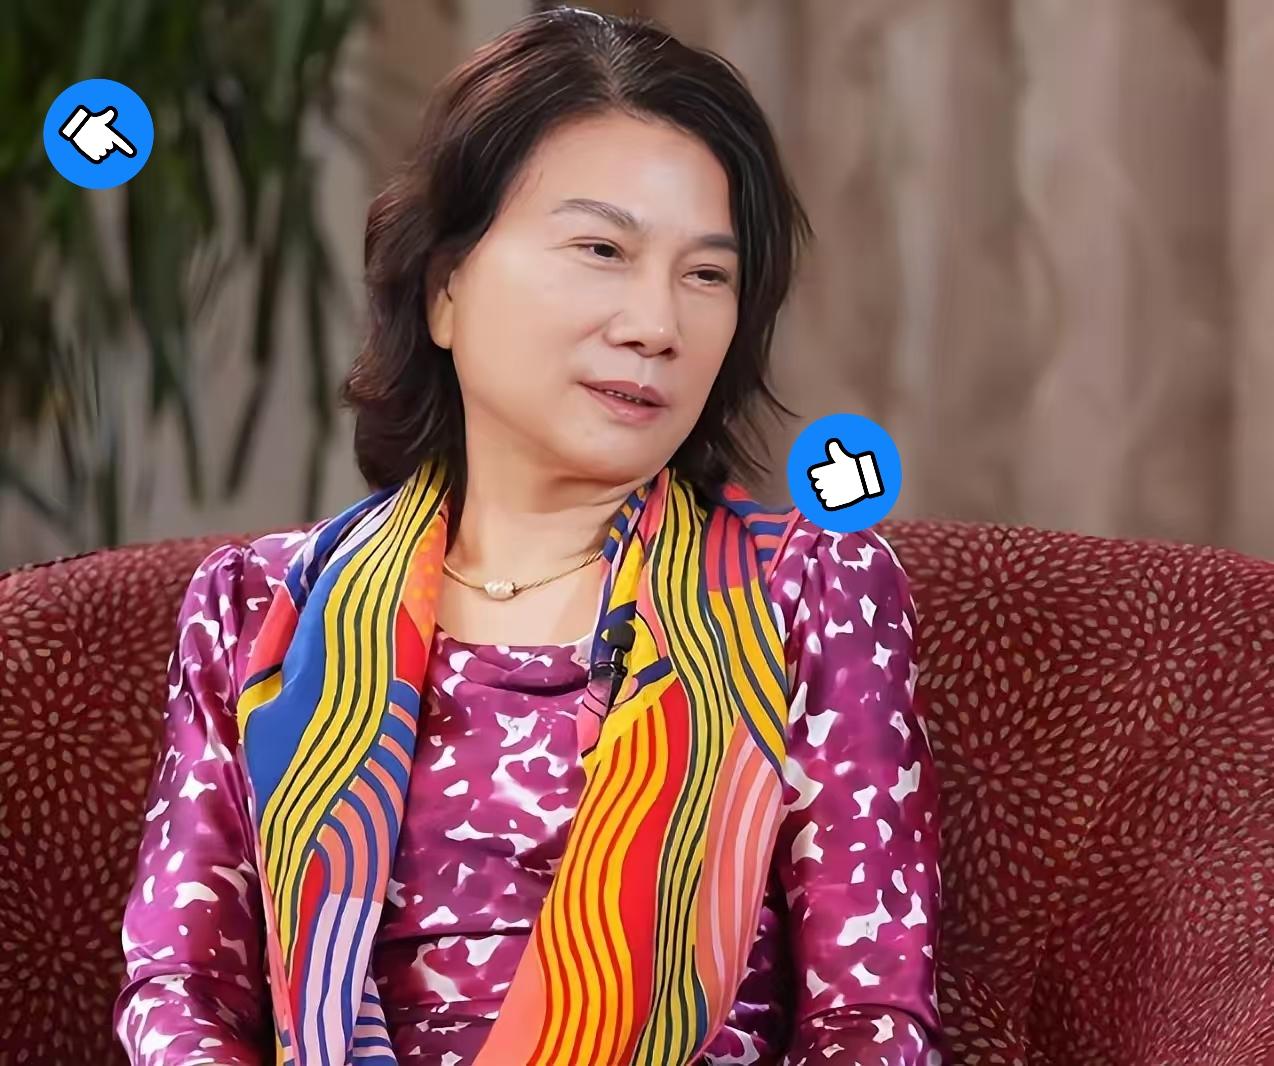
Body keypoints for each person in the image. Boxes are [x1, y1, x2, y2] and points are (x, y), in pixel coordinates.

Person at [113, 7, 944, 1065]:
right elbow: (179, 993)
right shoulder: (258, 607)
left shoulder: (810, 590)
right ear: (445, 287)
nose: (656, 325)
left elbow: (869, 1022)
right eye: (602, 249)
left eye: (707, 275)